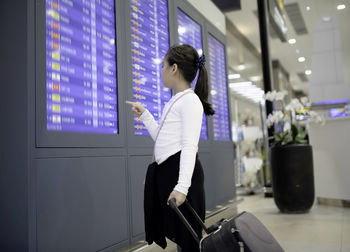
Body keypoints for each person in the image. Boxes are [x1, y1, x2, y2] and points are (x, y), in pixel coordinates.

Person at [126, 44, 215, 252]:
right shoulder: (177, 100)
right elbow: (163, 140)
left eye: (163, 65)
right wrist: (146, 115)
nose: (161, 71)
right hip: (171, 174)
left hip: (182, 177)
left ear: (174, 68)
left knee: (189, 241)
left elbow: (189, 146)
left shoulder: (190, 101)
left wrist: (182, 187)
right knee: (182, 241)